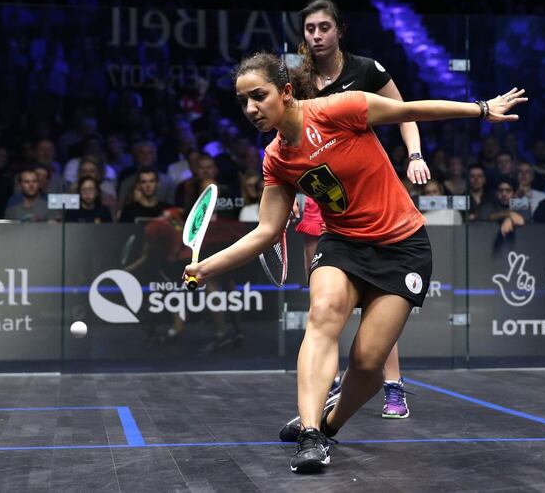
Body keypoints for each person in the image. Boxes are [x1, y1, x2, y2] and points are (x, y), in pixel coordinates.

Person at [182, 52, 525, 472]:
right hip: (342, 243)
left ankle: (328, 424)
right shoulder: (276, 158)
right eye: (243, 101)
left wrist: (482, 109)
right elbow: (267, 231)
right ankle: (309, 434)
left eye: (259, 96)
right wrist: (206, 267)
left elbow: (409, 110)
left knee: (367, 363)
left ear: (285, 93)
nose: (251, 109)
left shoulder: (338, 110)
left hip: (403, 248)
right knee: (322, 314)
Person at [294, 0, 431, 419]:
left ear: (339, 31)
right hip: (324, 200)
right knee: (324, 306)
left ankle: (392, 385)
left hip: (371, 195)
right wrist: (297, 191)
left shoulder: (366, 71)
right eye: (310, 29)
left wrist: (415, 155)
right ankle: (332, 387)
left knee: (379, 301)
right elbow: (291, 139)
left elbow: (405, 113)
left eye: (324, 28)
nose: (316, 36)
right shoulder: (298, 81)